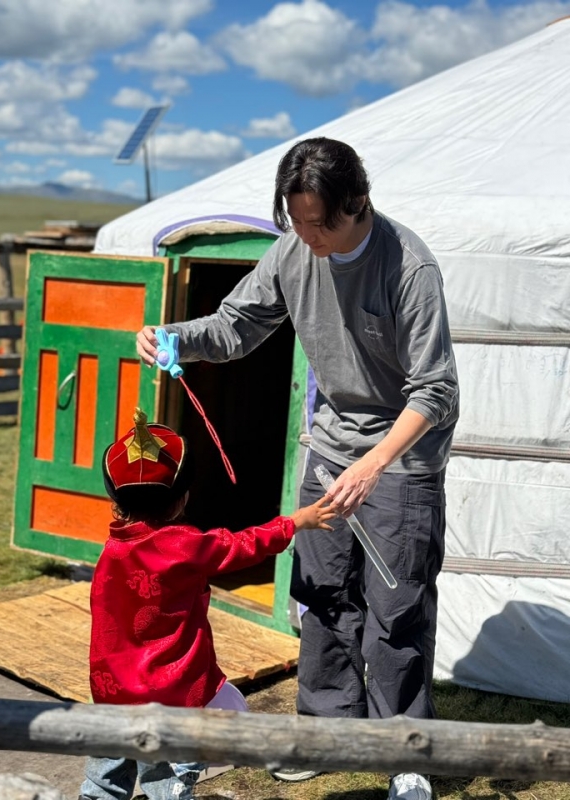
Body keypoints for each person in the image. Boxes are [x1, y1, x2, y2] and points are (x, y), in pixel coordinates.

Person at [136, 137, 459, 800]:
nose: (307, 237)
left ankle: (406, 754)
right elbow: (237, 326)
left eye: (320, 223)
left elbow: (435, 390)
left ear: (357, 205)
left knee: (396, 612)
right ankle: (321, 736)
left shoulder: (409, 269)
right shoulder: (293, 250)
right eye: (296, 221)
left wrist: (373, 465)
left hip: (398, 465)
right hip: (330, 452)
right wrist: (175, 337)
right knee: (320, 597)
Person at [78, 407, 335, 800]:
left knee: (103, 779)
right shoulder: (183, 547)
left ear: (115, 496)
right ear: (182, 499)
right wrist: (295, 522)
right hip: (169, 692)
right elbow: (242, 545)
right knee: (169, 772)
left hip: (111, 691)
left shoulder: (112, 552)